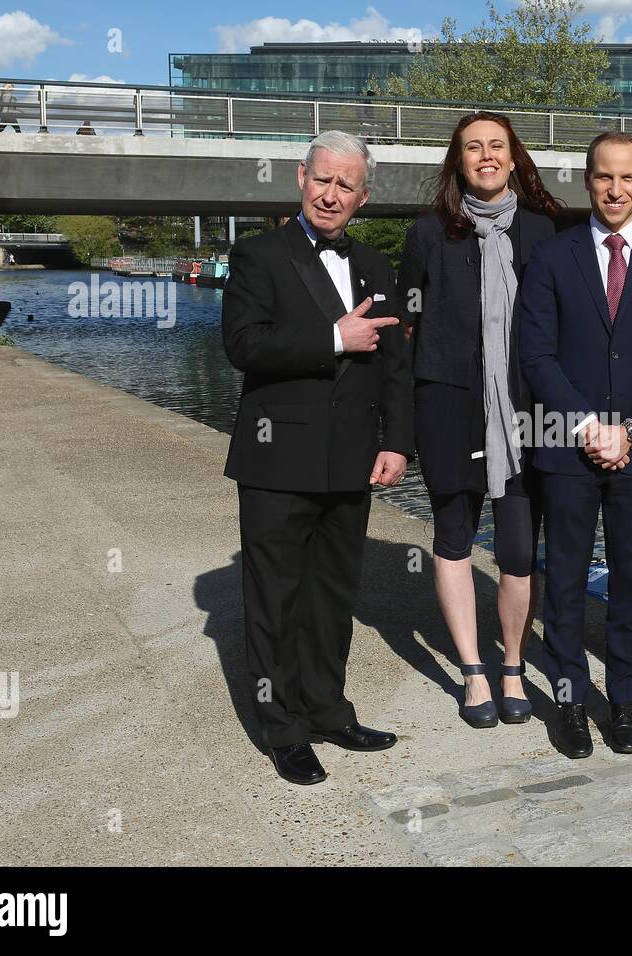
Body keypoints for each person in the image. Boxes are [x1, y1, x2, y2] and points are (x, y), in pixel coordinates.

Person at [221, 129, 413, 786]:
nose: (332, 195)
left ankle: (329, 710)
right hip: (277, 463)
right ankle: (284, 730)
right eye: (322, 180)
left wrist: (395, 441)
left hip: (353, 461)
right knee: (274, 601)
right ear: (301, 178)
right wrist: (334, 336)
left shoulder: (376, 266)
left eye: (346, 186)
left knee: (333, 595)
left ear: (364, 197)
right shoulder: (255, 256)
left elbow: (394, 362)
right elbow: (244, 345)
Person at [518, 131, 632, 759]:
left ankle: (623, 698)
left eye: (626, 178)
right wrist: (590, 425)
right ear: (586, 180)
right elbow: (536, 355)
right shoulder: (552, 257)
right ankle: (569, 698)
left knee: (630, 581)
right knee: (564, 579)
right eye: (602, 177)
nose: (614, 190)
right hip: (567, 448)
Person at [398, 112, 558, 728]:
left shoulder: (545, 232)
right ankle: (472, 671)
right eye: (473, 148)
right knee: (453, 538)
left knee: (518, 550)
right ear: (458, 162)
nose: (486, 156)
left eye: (497, 146)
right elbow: (408, 329)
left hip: (525, 413)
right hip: (448, 406)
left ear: (513, 157)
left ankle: (513, 663)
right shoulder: (428, 235)